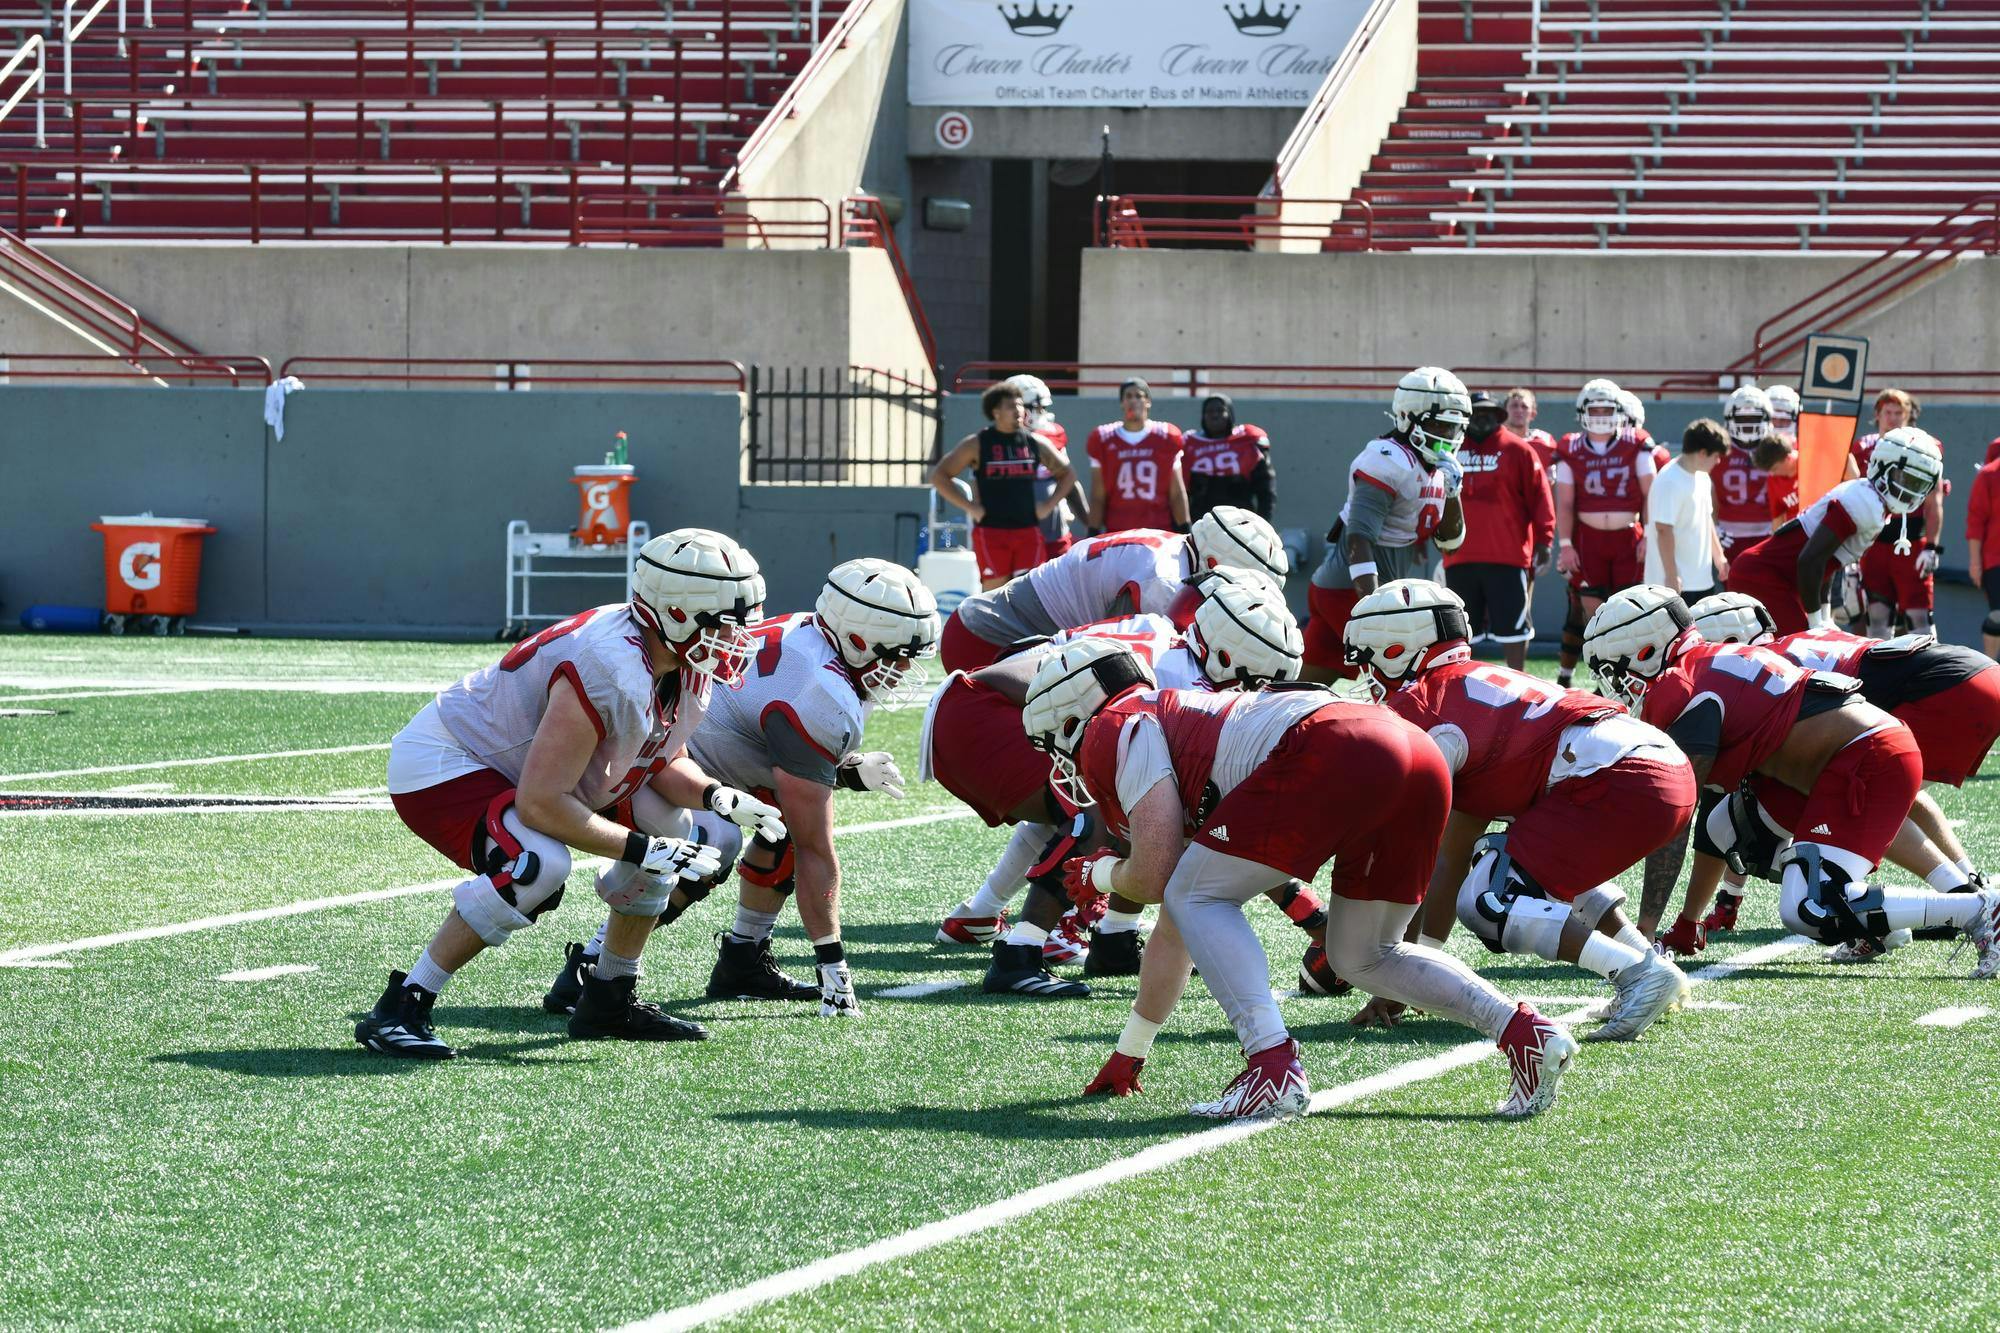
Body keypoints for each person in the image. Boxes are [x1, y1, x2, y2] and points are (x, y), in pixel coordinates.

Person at [1027, 639, 1577, 1121]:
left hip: (1331, 743)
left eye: (1055, 743)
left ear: (1070, 717)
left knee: (1196, 893)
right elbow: (1176, 924)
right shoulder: (1175, 717)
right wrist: (1131, 1049)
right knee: (1363, 956)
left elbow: (1156, 871)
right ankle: (1526, 1033)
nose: (1063, 763)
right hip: (1411, 750)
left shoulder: (1113, 725)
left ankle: (1271, 1065)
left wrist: (1100, 872)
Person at [356, 529, 768, 1059]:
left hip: (528, 768)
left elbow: (660, 764)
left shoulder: (679, 661)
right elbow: (543, 804)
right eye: (725, 624)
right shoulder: (610, 667)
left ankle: (608, 995)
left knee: (673, 823)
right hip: (453, 760)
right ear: (675, 612)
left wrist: (719, 797)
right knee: (537, 865)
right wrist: (642, 850)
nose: (738, 639)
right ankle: (402, 1006)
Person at [543, 558, 939, 1020]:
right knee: (713, 842)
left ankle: (744, 958)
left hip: (706, 767)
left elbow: (773, 754)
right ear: (856, 638)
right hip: (654, 768)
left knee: (782, 825)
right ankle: (593, 965)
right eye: (896, 653)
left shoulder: (815, 640)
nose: (905, 667)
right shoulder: (823, 690)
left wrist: (844, 769)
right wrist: (832, 961)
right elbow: (819, 847)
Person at [926, 574, 1330, 996]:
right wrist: (1312, 916)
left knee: (1138, 802)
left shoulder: (1171, 645)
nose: (1252, 697)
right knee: (1113, 811)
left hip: (983, 702)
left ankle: (1113, 939)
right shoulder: (1178, 677)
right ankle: (1019, 953)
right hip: (991, 710)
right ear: (1228, 657)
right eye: (1252, 683)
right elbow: (1206, 818)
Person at [1582, 586, 2000, 977]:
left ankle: (1975, 908)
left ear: (1644, 650)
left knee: (1808, 908)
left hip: (1862, 754)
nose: (1615, 686)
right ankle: (1879, 922)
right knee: (1735, 827)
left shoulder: (1683, 686)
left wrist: (1644, 929)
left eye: (1613, 672)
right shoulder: (1707, 664)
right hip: (1844, 759)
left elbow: (1677, 818)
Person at [1343, 580, 1693, 1041]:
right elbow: (1449, 852)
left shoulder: (1426, 705)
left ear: (1396, 649)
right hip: (1654, 764)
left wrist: (1401, 968)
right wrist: (1415, 972)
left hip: (1619, 775)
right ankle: (1645, 965)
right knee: (1532, 858)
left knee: (1488, 898)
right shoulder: (1469, 684)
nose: (1367, 677)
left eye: (1370, 660)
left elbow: (1423, 858)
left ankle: (1637, 972)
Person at [937, 505, 1286, 673]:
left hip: (999, 633)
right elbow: (1121, 659)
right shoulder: (1163, 579)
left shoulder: (1175, 553)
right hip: (988, 643)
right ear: (1214, 563)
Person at [1302, 365, 1469, 681]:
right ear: (1407, 417)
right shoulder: (1387, 459)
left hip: (1363, 586)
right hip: (1351, 588)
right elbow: (1358, 539)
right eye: (1440, 426)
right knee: (1399, 675)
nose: (1449, 437)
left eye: (1455, 428)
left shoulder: (1434, 467)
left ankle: (1269, 723)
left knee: (1305, 685)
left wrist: (1452, 492)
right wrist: (1374, 606)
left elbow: (1449, 542)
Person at [1726, 427, 1944, 635]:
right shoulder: (1864, 502)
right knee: (1798, 653)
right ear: (1882, 464)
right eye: (1903, 478)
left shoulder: (1871, 501)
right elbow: (1810, 560)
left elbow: (1827, 561)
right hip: (1762, 577)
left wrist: (1824, 616)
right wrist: (1814, 622)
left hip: (1778, 578)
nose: (1909, 489)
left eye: (1917, 484)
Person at [1551, 377, 1655, 687]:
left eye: (1606, 409)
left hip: (1628, 535)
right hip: (1589, 539)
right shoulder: (1570, 446)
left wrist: (1648, 534)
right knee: (1593, 616)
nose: (1599, 416)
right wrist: (1566, 544)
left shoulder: (1636, 442)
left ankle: (1626, 678)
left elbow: (1651, 494)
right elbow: (1565, 502)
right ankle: (1604, 676)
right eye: (1593, 410)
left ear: (1620, 411)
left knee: (1628, 611)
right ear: (1582, 412)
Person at [1443, 390, 1553, 670]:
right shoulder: (1448, 451)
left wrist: (1544, 540)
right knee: (1463, 631)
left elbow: (1541, 497)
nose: (1481, 418)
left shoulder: (1519, 450)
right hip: (1459, 556)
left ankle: (1518, 683)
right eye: (1476, 412)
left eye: (1487, 413)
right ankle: (1465, 685)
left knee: (1514, 629)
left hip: (1508, 556)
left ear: (1497, 416)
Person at [930, 382, 1076, 591]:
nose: (1018, 410)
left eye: (1020, 405)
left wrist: (1049, 505)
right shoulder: (978, 443)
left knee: (1030, 591)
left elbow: (1068, 474)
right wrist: (970, 507)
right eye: (1010, 406)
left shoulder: (1034, 442)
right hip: (991, 531)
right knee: (995, 593)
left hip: (1027, 530)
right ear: (995, 412)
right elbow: (940, 476)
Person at [1853, 390, 1946, 638]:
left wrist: (1932, 547)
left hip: (1911, 542)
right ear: (1878, 415)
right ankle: (1881, 675)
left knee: (1920, 619)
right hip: (1873, 542)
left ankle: (1929, 676)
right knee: (1877, 617)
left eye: (1899, 413)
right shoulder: (1862, 448)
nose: (1893, 418)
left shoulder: (1925, 446)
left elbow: (1933, 501)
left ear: (1908, 416)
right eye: (1888, 412)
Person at [1087, 378, 1189, 536]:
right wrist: (1092, 532)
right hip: (1117, 530)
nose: (1133, 401)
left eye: (1139, 396)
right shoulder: (1103, 438)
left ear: (1148, 402)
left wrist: (1185, 529)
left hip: (1158, 530)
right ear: (1122, 403)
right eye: (1128, 396)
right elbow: (1098, 495)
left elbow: (1176, 492)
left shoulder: (1166, 436)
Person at [1644, 418, 1729, 597]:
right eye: (1716, 456)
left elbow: (1706, 519)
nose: (1718, 461)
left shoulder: (1702, 477)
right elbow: (1663, 530)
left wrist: (1719, 556)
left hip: (1701, 581)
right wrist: (1671, 576)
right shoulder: (1669, 481)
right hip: (1671, 586)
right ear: (1702, 453)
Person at [1006, 373, 1085, 559]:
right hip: (1013, 531)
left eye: (1043, 407)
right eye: (1037, 407)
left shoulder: (1052, 435)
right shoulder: (996, 442)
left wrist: (1090, 522)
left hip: (1053, 530)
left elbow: (1069, 481)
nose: (1042, 412)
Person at [1182, 393, 1275, 522]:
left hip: (1240, 518)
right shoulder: (1190, 444)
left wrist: (1264, 522)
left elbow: (1265, 490)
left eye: (1220, 410)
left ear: (1230, 414)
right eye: (1209, 411)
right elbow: (1181, 491)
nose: (1215, 415)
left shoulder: (1247, 440)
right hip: (1202, 519)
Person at [1713, 386, 1774, 559]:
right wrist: (1714, 527)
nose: (1748, 424)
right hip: (1729, 535)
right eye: (1742, 418)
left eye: (1754, 417)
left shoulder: (1775, 450)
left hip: (1768, 532)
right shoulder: (1719, 451)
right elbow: (1709, 495)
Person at [1968, 436, 2000, 658]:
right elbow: (1976, 521)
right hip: (1995, 559)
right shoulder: (1989, 475)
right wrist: (1975, 562)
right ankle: (1990, 665)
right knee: (1998, 614)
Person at [1506, 387, 1558, 468]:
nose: (1519, 410)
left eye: (1524, 406)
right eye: (1514, 406)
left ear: (1533, 414)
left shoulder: (1544, 442)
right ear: (1505, 412)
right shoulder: (1495, 441)